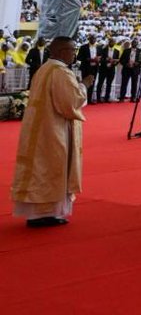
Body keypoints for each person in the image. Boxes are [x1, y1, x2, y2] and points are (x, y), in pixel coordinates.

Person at [10, 37, 90, 227]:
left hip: (40, 127)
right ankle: (44, 214)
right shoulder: (60, 72)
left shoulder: (45, 68)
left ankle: (41, 213)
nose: (74, 54)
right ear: (62, 51)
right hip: (53, 130)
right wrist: (84, 85)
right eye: (72, 50)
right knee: (51, 169)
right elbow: (69, 103)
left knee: (40, 169)